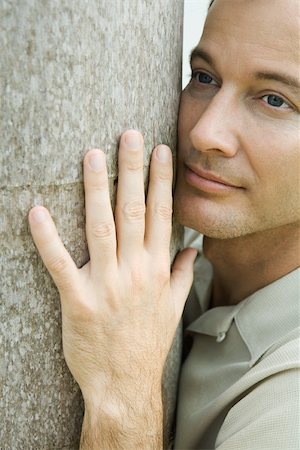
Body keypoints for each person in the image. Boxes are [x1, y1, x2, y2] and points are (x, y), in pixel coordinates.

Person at [28, 0, 300, 448]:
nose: (203, 132)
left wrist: (123, 394)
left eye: (274, 100)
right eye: (204, 77)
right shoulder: (183, 239)